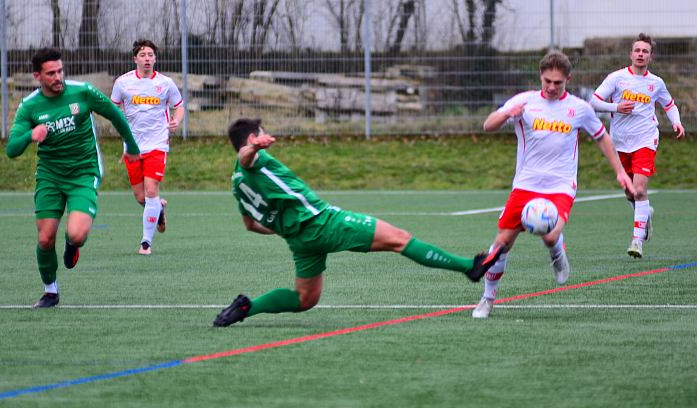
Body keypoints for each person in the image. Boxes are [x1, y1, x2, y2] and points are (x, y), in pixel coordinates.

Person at [213, 118, 504, 327]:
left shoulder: (236, 183)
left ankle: (246, 308)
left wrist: (284, 229)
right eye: (261, 135)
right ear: (253, 138)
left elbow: (251, 225)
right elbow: (247, 156)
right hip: (322, 222)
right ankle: (470, 267)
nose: (266, 139)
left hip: (299, 240)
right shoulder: (253, 157)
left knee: (305, 298)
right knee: (400, 239)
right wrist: (256, 147)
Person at [471, 50, 636, 319]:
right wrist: (506, 114)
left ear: (567, 80)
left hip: (560, 185)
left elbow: (602, 138)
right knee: (501, 244)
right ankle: (487, 300)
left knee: (549, 235)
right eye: (547, 81)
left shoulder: (579, 108)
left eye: (557, 82)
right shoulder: (524, 102)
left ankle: (557, 253)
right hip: (525, 185)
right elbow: (487, 126)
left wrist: (620, 172)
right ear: (540, 76)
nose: (551, 87)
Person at [6, 48, 141, 308]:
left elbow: (115, 115)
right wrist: (30, 135)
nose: (58, 77)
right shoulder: (30, 106)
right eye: (51, 73)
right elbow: (12, 149)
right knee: (45, 238)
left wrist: (132, 146)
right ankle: (50, 291)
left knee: (77, 234)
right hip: (49, 176)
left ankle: (72, 243)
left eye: (60, 71)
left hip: (83, 171)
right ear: (38, 76)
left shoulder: (82, 92)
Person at [590, 33, 685, 259]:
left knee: (640, 189)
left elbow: (669, 105)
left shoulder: (656, 83)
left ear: (650, 57)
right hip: (620, 142)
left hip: (645, 139)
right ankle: (645, 216)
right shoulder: (616, 78)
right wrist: (616, 108)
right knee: (630, 192)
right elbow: (593, 101)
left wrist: (677, 122)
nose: (641, 54)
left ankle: (636, 240)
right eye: (637, 51)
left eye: (645, 51)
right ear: (631, 54)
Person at [111, 39, 184, 255]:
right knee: (141, 197)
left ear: (155, 58)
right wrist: (119, 125)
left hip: (158, 144)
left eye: (150, 55)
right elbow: (113, 108)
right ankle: (158, 209)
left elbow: (178, 107)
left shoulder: (165, 83)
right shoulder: (122, 83)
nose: (147, 59)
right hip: (133, 147)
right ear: (135, 58)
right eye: (142, 55)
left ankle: (146, 242)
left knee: (151, 191)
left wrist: (176, 121)